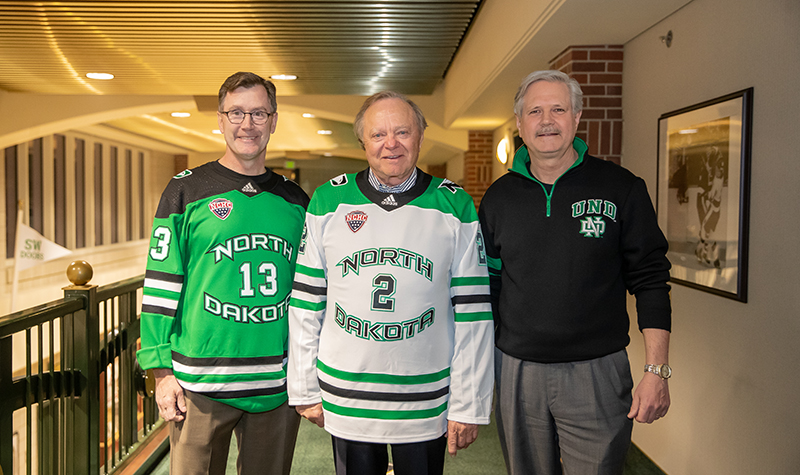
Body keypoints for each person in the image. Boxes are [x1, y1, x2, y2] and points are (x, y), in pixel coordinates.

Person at [287, 91, 494, 475]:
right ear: (363, 141)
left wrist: (469, 403)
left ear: (420, 136)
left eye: (403, 131)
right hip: (347, 393)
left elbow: (474, 312)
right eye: (378, 134)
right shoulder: (328, 201)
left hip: (425, 397)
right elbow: (306, 301)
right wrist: (303, 387)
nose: (391, 144)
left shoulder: (455, 205)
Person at [478, 70, 672, 475]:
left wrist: (656, 370)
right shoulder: (498, 198)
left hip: (597, 372)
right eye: (535, 111)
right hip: (517, 370)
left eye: (558, 109)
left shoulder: (622, 188)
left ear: (577, 117)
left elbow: (651, 279)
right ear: (519, 123)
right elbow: (489, 288)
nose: (546, 120)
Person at [137, 71, 309, 475]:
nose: (247, 124)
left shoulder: (296, 200)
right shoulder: (186, 190)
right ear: (220, 118)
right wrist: (161, 372)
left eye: (258, 113)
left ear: (274, 120)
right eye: (236, 113)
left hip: (275, 382)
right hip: (200, 382)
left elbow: (311, 292)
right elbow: (160, 286)